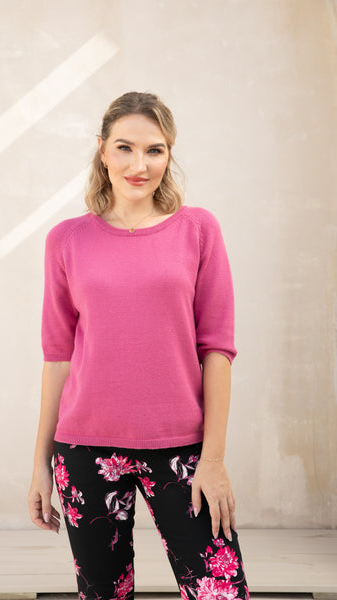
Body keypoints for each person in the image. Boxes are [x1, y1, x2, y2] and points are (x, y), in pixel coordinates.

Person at [28, 91, 250, 600]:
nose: (139, 165)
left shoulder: (198, 230)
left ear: (169, 154)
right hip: (84, 449)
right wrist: (40, 464)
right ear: (102, 150)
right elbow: (58, 358)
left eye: (154, 150)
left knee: (220, 592)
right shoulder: (66, 240)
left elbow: (217, 350)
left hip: (182, 448)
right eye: (125, 148)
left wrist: (213, 460)